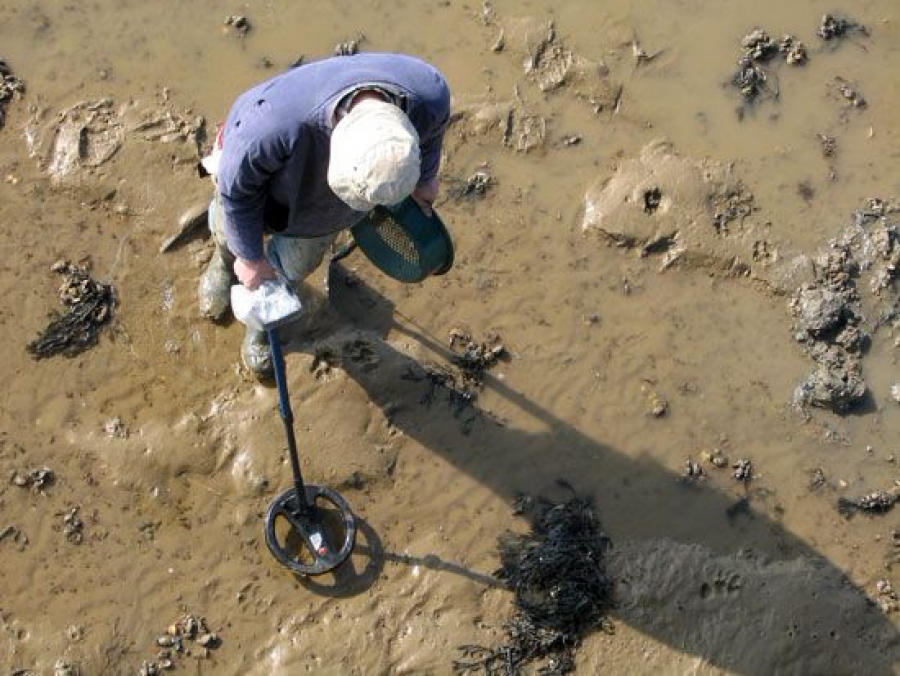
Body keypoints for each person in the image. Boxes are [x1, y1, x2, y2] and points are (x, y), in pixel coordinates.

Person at [198, 52, 451, 377]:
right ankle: (222, 263)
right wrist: (248, 259)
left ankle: (262, 324)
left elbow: (433, 131)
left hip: (323, 217)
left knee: (294, 264)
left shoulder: (428, 94)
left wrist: (426, 177)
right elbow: (237, 194)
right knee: (228, 231)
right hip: (267, 184)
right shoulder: (268, 127)